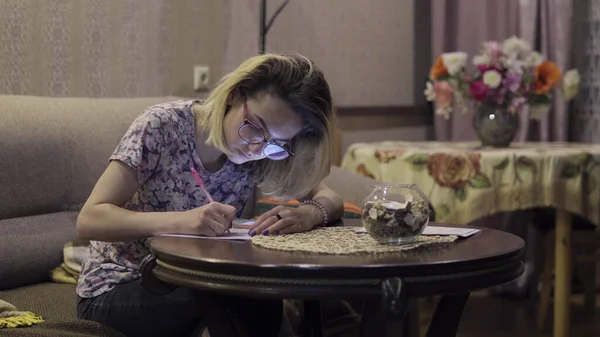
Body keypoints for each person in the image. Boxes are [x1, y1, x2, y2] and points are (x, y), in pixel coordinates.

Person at [75, 53, 344, 337]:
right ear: (235, 95)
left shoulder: (262, 154)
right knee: (233, 295)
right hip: (118, 286)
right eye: (255, 128)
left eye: (277, 143)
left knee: (256, 294)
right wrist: (182, 221)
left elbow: (331, 197)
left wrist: (310, 213)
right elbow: (90, 218)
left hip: (196, 280)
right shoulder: (161, 126)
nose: (256, 148)